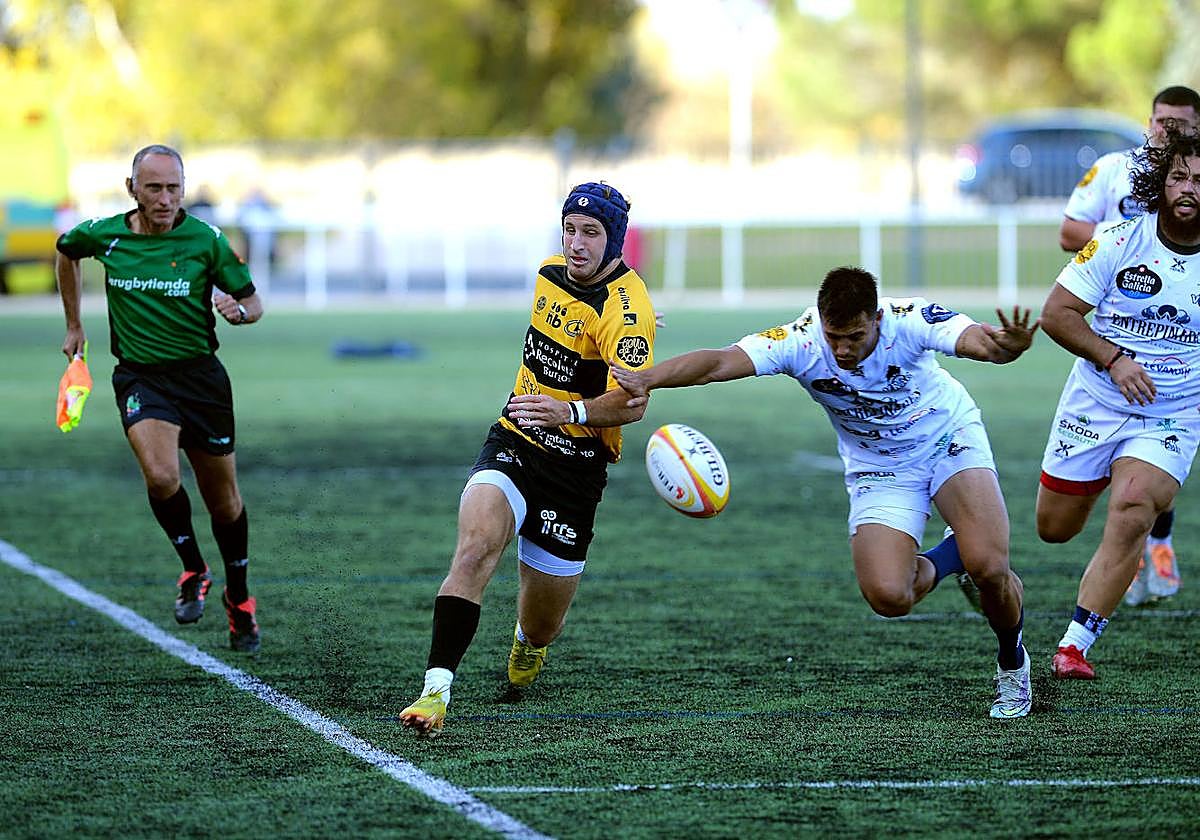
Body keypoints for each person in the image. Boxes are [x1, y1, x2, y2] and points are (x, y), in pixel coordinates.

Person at [611, 267, 1039, 719]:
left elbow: (980, 343)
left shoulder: (910, 319)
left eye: (854, 336)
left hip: (947, 438)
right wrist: (649, 378)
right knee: (890, 596)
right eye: (833, 336)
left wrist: (1007, 347)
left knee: (991, 567)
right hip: (879, 467)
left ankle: (1012, 663)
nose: (842, 349)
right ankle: (956, 555)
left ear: (877, 319)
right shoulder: (800, 340)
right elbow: (718, 362)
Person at [398, 182, 656, 736]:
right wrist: (547, 411)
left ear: (615, 240)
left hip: (576, 470)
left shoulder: (626, 310)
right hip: (515, 439)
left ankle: (527, 641)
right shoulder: (548, 274)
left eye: (591, 233)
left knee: (542, 626)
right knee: (474, 550)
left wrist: (570, 412)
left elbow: (634, 403)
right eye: (570, 229)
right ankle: (435, 691)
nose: (576, 244)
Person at [55, 144, 264, 653]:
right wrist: (74, 323)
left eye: (174, 188)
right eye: (154, 188)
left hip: (202, 382)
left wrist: (237, 313)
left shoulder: (206, 240)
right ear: (132, 189)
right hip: (141, 379)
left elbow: (253, 302)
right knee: (162, 476)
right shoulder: (105, 235)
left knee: (224, 502)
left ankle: (239, 599)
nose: (166, 199)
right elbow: (65, 250)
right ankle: (193, 568)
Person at [1039, 130, 1200, 680]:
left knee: (1134, 507)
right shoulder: (1118, 239)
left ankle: (1074, 645)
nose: (1189, 188)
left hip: (1172, 413)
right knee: (1054, 528)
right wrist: (1114, 359)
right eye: (1178, 176)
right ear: (1160, 183)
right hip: (1095, 401)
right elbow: (1056, 314)